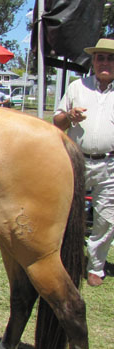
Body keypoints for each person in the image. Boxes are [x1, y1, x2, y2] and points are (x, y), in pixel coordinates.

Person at [53, 37, 114, 287]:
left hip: (110, 164)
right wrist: (69, 116)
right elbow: (57, 122)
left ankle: (96, 267)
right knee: (67, 213)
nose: (105, 62)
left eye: (110, 58)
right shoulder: (77, 87)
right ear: (93, 60)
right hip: (75, 160)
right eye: (100, 57)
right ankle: (66, 261)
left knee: (106, 219)